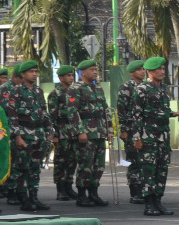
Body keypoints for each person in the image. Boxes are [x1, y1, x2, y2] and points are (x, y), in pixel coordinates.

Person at [132, 55, 179, 216]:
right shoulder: (142, 90)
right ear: (150, 71)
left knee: (161, 170)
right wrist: (137, 138)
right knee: (148, 170)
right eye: (159, 69)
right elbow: (136, 115)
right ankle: (149, 204)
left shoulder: (162, 89)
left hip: (163, 136)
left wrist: (174, 113)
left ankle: (158, 201)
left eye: (163, 69)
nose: (162, 72)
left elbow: (161, 111)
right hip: (148, 136)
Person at [0, 60, 53, 213]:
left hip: (38, 135)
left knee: (35, 168)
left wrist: (49, 130)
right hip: (24, 134)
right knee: (22, 168)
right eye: (31, 72)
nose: (34, 74)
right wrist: (17, 136)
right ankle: (23, 198)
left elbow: (44, 112)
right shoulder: (15, 91)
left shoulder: (38, 91)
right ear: (23, 74)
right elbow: (12, 115)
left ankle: (34, 197)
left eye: (36, 72)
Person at [65, 59, 110, 206]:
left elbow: (105, 110)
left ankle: (93, 193)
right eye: (92, 69)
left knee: (99, 165)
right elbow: (72, 111)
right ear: (83, 72)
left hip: (99, 132)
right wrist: (80, 132)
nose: (95, 72)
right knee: (86, 164)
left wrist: (109, 130)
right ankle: (82, 195)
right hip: (85, 132)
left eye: (96, 69)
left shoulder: (98, 88)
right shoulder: (75, 88)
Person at [47, 65, 77, 201]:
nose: (71, 78)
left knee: (72, 160)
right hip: (62, 129)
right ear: (61, 78)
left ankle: (69, 185)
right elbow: (52, 116)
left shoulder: (75, 92)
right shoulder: (56, 94)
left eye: (72, 75)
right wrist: (55, 135)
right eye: (68, 76)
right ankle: (60, 189)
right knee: (61, 161)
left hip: (73, 130)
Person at [120, 60, 148, 203]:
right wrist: (123, 130)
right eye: (139, 70)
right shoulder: (126, 87)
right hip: (132, 130)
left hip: (146, 130)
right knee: (133, 161)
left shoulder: (146, 86)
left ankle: (144, 190)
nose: (143, 71)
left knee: (144, 161)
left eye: (144, 69)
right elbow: (121, 110)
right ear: (132, 73)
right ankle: (134, 192)